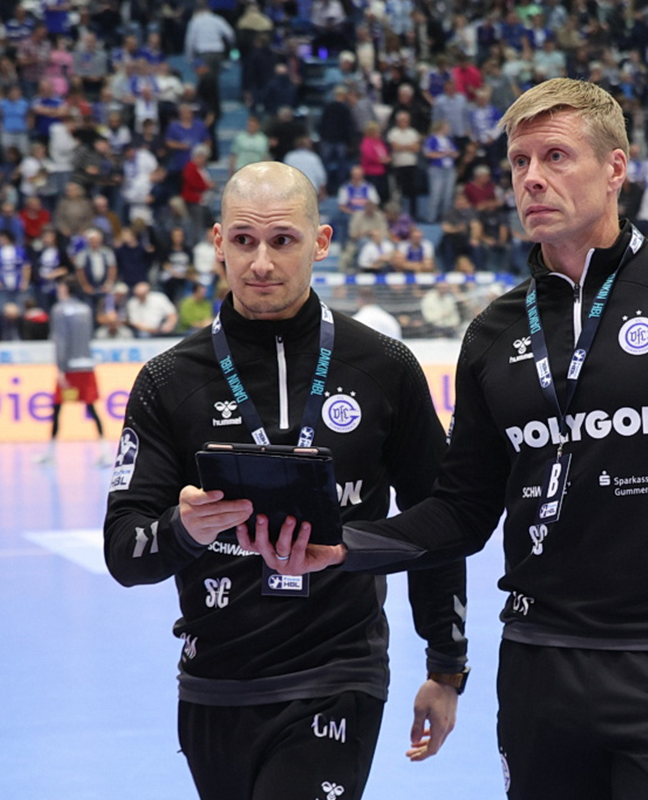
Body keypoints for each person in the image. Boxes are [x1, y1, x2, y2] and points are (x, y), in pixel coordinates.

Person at [239, 78, 648, 800]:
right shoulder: (493, 334)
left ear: (615, 168)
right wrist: (347, 546)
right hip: (538, 663)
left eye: (556, 156)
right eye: (519, 162)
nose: (532, 178)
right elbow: (462, 512)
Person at [101, 162, 468, 800]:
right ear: (218, 242)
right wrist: (183, 528)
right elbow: (124, 550)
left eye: (283, 240)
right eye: (244, 241)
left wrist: (446, 664)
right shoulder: (168, 380)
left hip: (338, 673)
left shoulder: (384, 367)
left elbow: (435, 520)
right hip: (214, 684)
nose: (262, 262)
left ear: (320, 242)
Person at [36, 276, 111, 467]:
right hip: (86, 366)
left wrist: (60, 368)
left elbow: (60, 340)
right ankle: (106, 452)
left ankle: (50, 453)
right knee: (91, 408)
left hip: (69, 369)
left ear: (65, 289)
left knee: (57, 408)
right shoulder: (86, 309)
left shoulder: (59, 310)